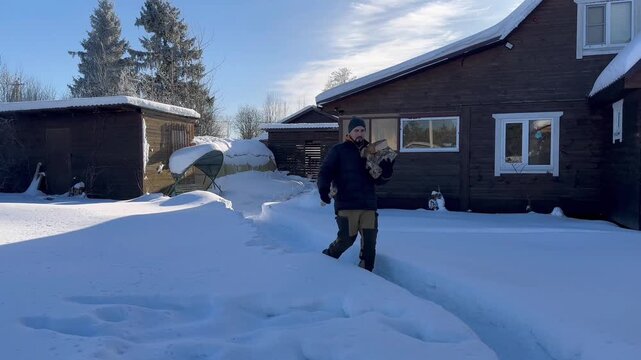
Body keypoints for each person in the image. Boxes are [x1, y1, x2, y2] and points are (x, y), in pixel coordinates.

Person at [317, 117, 394, 271]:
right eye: (356, 130)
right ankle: (326, 260)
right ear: (350, 132)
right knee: (346, 239)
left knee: (369, 244)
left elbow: (379, 180)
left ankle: (366, 274)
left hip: (368, 204)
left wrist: (387, 172)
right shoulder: (339, 150)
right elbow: (325, 171)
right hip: (346, 204)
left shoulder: (373, 151)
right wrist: (323, 189)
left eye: (362, 130)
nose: (360, 133)